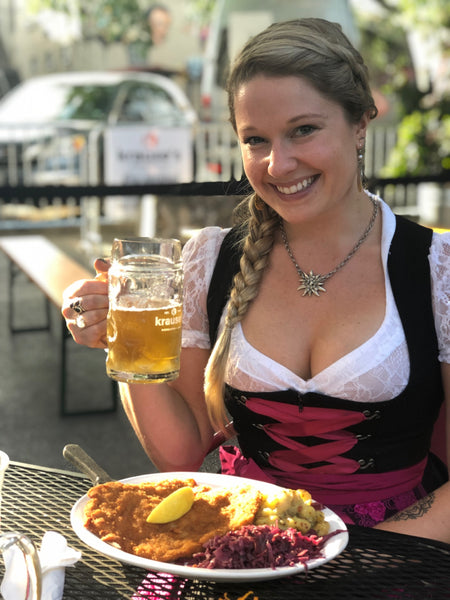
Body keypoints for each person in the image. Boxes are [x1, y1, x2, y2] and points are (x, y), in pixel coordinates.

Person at [62, 18, 450, 542]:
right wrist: (125, 342)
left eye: (303, 130)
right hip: (241, 546)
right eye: (255, 139)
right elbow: (181, 451)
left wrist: (358, 554)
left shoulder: (433, 268)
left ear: (360, 123)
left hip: (395, 552)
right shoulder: (214, 259)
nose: (278, 163)